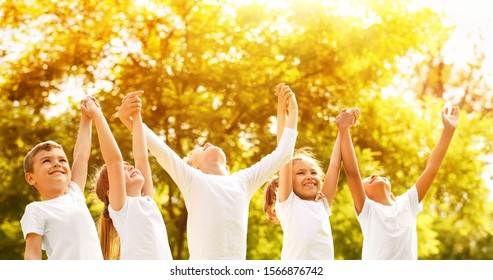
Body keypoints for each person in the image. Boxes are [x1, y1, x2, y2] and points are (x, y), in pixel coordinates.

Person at [118, 86, 298, 260]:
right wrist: (129, 119)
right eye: (198, 150)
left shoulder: (243, 181)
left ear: (227, 168)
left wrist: (291, 111)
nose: (206, 144)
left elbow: (284, 153)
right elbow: (158, 148)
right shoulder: (192, 179)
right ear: (194, 167)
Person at [337, 106, 460, 260]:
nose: (373, 175)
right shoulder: (368, 210)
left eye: (375, 175)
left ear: (393, 195)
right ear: (362, 196)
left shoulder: (407, 203)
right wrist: (344, 129)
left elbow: (431, 169)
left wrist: (448, 131)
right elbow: (352, 173)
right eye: (367, 179)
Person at [264, 84, 359, 259]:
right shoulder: (288, 204)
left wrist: (343, 128)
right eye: (301, 173)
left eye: (314, 173)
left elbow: (335, 164)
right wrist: (288, 110)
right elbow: (283, 148)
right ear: (288, 182)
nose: (310, 176)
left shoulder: (322, 204)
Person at [91, 91, 172, 260]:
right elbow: (113, 159)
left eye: (129, 166)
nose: (130, 168)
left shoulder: (147, 199)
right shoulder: (121, 208)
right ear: (111, 192)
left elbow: (141, 155)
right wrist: (98, 115)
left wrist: (136, 114)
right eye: (123, 171)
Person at [20, 96, 103, 260]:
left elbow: (81, 156)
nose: (57, 164)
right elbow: (32, 254)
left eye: (62, 160)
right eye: (46, 161)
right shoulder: (36, 210)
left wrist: (86, 119)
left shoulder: (74, 194)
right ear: (31, 178)